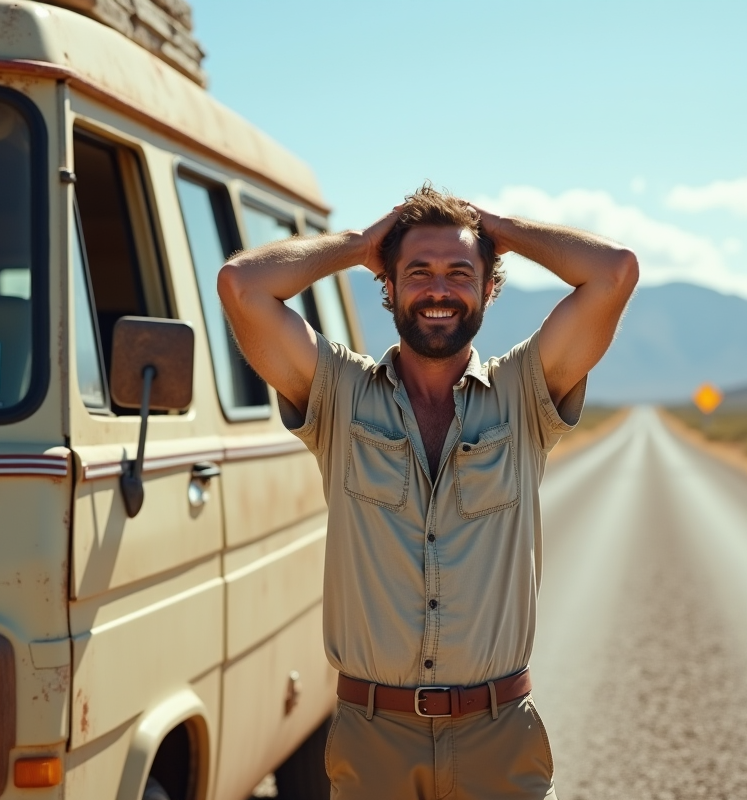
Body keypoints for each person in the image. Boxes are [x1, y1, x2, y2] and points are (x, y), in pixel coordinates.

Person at [218, 184, 637, 799]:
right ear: (386, 284)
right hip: (374, 737)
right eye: (417, 272)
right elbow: (241, 286)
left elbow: (614, 273)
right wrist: (359, 245)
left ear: (489, 287)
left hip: (499, 734)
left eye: (460, 273)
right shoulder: (338, 393)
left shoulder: (525, 392)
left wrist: (497, 230)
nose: (438, 290)